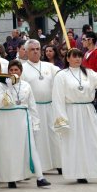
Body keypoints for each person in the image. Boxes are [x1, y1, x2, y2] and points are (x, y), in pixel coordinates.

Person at [52, 49, 97, 183]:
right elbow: (57, 98)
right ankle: (79, 173)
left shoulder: (88, 73)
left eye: (79, 56)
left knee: (95, 141)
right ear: (68, 58)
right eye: (74, 56)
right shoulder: (61, 75)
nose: (77, 59)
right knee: (75, 143)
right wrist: (62, 119)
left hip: (88, 111)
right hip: (71, 112)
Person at [0, 60, 50, 188]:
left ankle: (40, 177)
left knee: (30, 147)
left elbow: (32, 105)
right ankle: (10, 178)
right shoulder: (0, 85)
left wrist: (36, 123)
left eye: (16, 70)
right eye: (11, 70)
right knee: (8, 149)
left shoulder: (26, 85)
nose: (14, 73)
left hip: (23, 119)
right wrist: (8, 88)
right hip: (6, 119)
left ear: (21, 71)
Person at [21, 40, 62, 173]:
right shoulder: (22, 68)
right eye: (32, 49)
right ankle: (40, 166)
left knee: (54, 135)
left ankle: (59, 163)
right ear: (26, 51)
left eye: (38, 49)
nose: (36, 51)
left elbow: (63, 75)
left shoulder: (49, 66)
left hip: (49, 107)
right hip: (33, 109)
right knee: (37, 137)